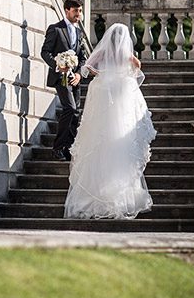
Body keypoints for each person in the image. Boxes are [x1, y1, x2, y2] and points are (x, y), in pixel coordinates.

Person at [64, 22, 156, 220]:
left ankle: (95, 194)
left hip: (105, 108)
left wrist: (102, 75)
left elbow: (88, 66)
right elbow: (138, 66)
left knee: (99, 144)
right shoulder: (127, 56)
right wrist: (123, 74)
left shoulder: (104, 54)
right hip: (119, 111)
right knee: (120, 146)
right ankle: (120, 196)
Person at [40, 0, 90, 161]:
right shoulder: (55, 29)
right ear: (67, 10)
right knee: (69, 108)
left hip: (75, 78)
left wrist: (78, 75)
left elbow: (83, 57)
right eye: (76, 11)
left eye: (80, 11)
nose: (79, 14)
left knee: (75, 113)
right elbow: (45, 52)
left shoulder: (79, 32)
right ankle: (57, 148)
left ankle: (69, 149)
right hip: (60, 77)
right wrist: (57, 64)